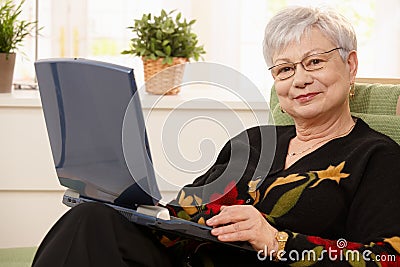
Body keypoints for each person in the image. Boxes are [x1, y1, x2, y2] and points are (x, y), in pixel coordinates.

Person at [32, 6, 400, 267]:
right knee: (91, 220)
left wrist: (274, 240)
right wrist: (131, 208)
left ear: (350, 65)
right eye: (285, 68)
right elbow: (185, 218)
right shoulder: (253, 141)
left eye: (315, 62)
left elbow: (387, 257)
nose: (299, 79)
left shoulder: (377, 158)